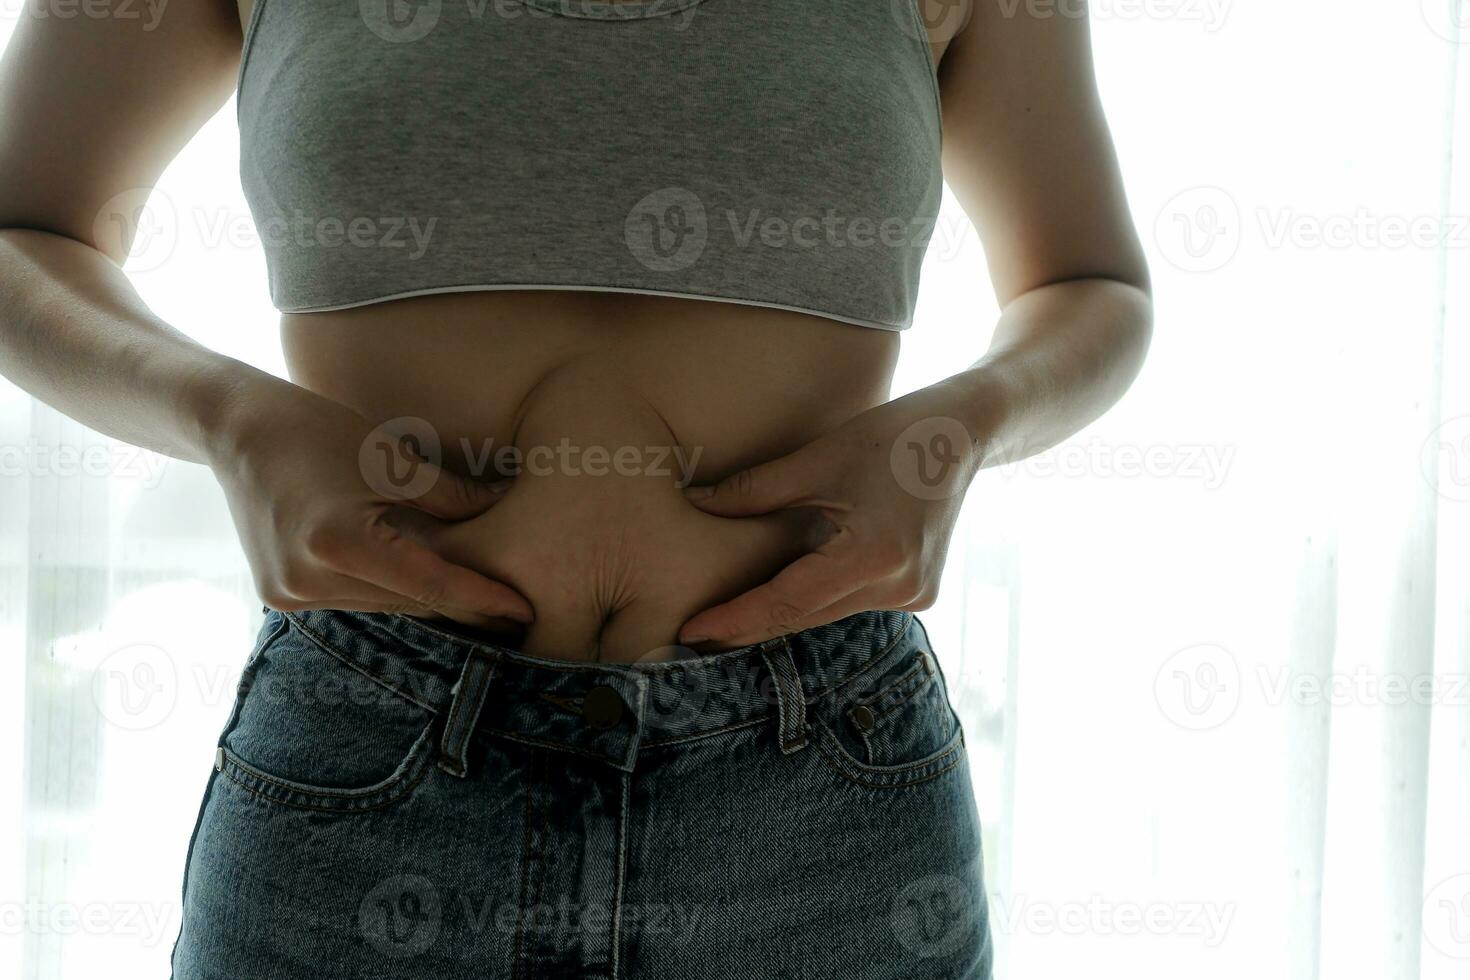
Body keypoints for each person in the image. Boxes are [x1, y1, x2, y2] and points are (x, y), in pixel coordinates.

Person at [0, 0, 1151, 976]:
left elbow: (1088, 279)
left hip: (822, 804)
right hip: (373, 762)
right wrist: (229, 415)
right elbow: (25, 225)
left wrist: (956, 432)